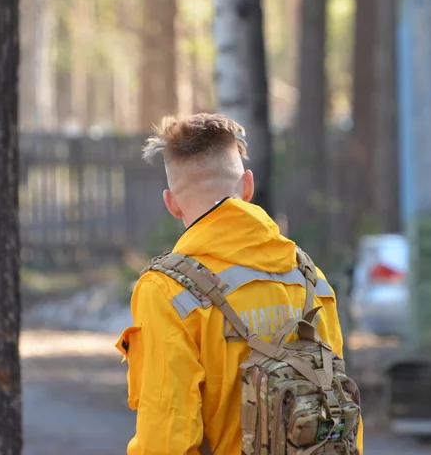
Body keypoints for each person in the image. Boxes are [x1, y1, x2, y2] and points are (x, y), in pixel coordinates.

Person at [115, 113, 363, 454]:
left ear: (171, 204)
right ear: (247, 185)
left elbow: (167, 436)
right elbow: (340, 403)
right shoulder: (308, 277)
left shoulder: (167, 291)